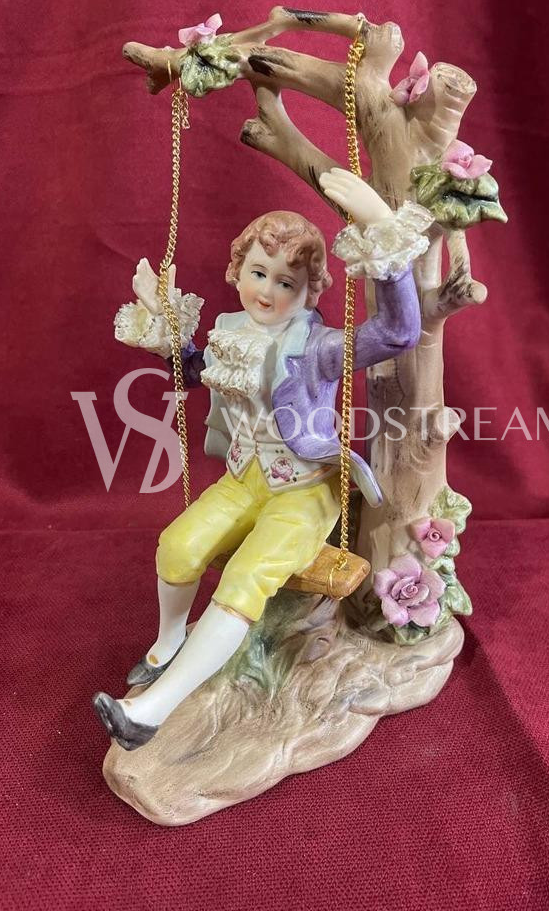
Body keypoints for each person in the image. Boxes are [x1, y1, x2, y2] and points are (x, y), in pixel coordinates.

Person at [93, 168, 434, 750]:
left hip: (302, 490)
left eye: (286, 282)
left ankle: (149, 711)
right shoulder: (230, 333)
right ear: (238, 271)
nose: (267, 291)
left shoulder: (320, 347)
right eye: (258, 273)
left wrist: (382, 229)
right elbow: (194, 371)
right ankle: (168, 643)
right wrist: (164, 319)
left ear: (309, 290)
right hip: (243, 478)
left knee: (246, 577)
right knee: (177, 546)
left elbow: (400, 333)